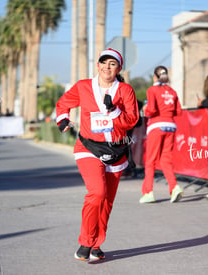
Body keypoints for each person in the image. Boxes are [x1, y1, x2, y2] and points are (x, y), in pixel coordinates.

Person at [55, 48, 139, 262]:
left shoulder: (125, 90)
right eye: (104, 63)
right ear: (98, 65)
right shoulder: (84, 86)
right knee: (98, 192)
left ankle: (96, 244)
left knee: (107, 202)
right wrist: (63, 119)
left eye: (113, 64)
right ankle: (85, 241)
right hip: (89, 148)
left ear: (119, 68)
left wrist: (115, 112)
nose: (107, 67)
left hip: (117, 150)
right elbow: (64, 103)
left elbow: (132, 120)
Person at [139, 66, 183, 204]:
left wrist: (145, 110)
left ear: (154, 77)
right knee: (165, 160)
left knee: (150, 160)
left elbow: (151, 110)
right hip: (170, 126)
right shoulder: (172, 91)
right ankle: (174, 187)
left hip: (156, 126)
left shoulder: (152, 90)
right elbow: (179, 111)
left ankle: (148, 192)